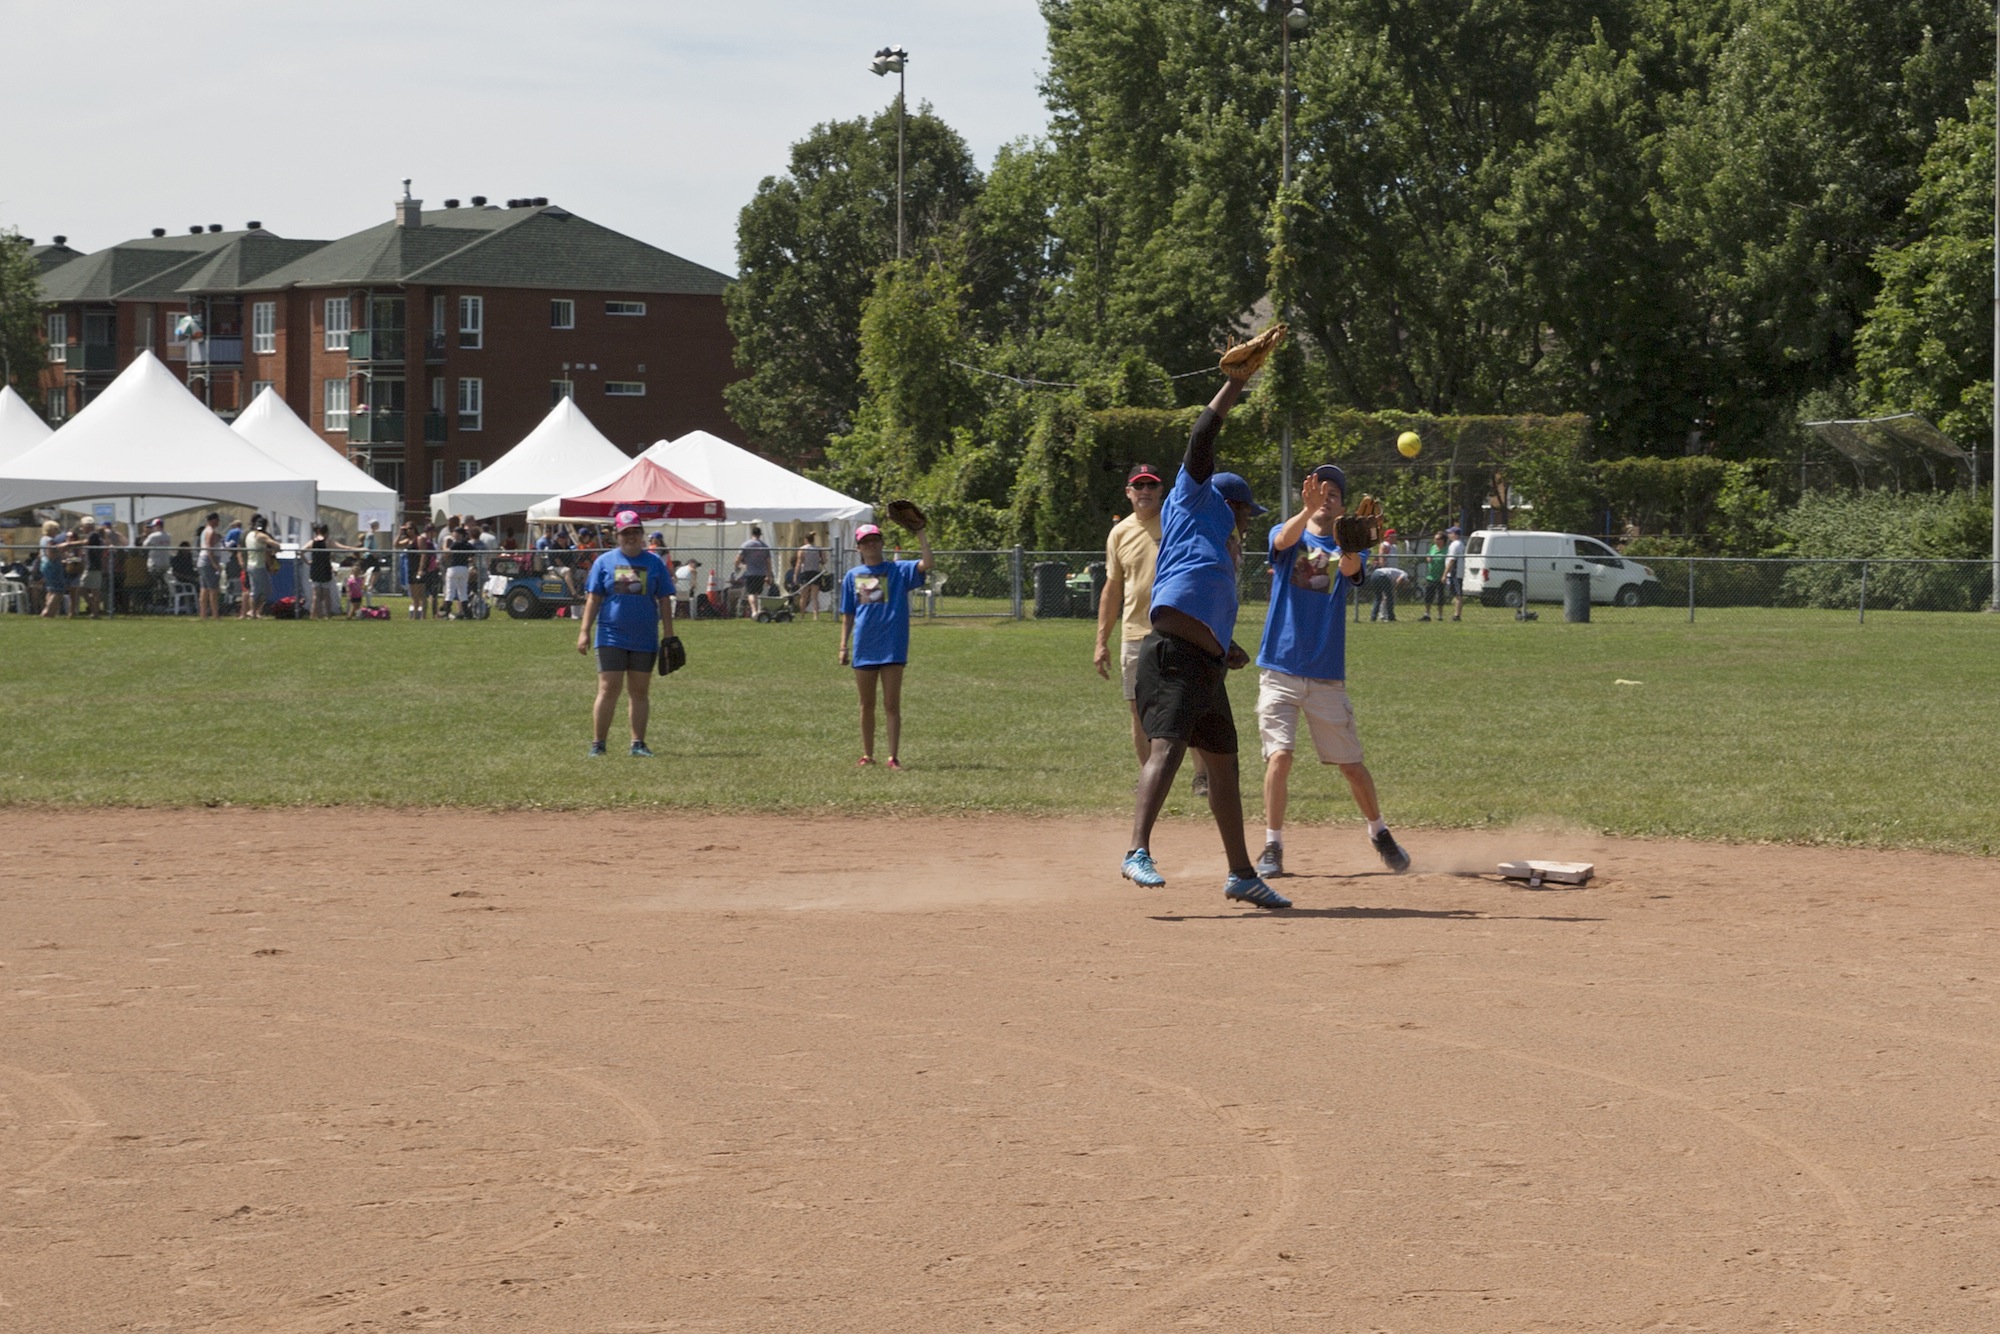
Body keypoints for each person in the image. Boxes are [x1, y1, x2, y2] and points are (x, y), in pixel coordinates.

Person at [1120, 343, 1288, 910]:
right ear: (1231, 503)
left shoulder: (1216, 546)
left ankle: (1241, 872)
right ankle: (1137, 850)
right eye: (1246, 511)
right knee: (1165, 752)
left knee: (1222, 768)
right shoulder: (1196, 501)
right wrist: (1235, 386)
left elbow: (1204, 599)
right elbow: (1200, 441)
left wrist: (1229, 647)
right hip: (1171, 654)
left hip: (1205, 661)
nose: (1245, 521)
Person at [1251, 464, 1412, 880]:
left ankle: (1379, 832)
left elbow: (1350, 572)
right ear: (1306, 497)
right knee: (1280, 755)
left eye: (1334, 495)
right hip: (1280, 669)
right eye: (1318, 491)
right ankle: (1272, 845)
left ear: (1343, 507)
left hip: (1325, 674)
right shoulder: (1286, 532)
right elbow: (1285, 540)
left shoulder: (1347, 544)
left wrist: (1354, 548)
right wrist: (1303, 513)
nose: (1326, 499)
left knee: (1351, 766)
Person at [1095, 462, 1214, 795]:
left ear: (1161, 491)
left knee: (1186, 705)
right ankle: (1150, 777)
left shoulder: (1175, 522)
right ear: (1129, 492)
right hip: (1135, 634)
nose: (1145, 491)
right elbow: (1113, 588)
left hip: (1178, 628)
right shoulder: (1119, 533)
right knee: (1138, 710)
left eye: (1151, 485)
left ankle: (1201, 775)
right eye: (1139, 485)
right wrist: (1101, 641)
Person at [576, 510, 679, 758]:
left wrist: (669, 634)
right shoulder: (604, 562)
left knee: (639, 691)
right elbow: (594, 598)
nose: (630, 537)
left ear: (641, 533)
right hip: (610, 636)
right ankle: (598, 744)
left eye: (634, 531)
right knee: (608, 689)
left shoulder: (654, 563)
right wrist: (584, 632)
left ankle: (638, 744)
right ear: (617, 535)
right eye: (625, 533)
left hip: (644, 637)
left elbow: (664, 599)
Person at [838, 521, 932, 768]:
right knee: (866, 704)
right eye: (865, 541)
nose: (871, 544)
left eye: (875, 539)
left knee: (891, 703)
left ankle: (893, 756)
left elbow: (927, 564)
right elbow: (848, 614)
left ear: (882, 543)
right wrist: (843, 646)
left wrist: (920, 532)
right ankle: (868, 754)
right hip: (865, 645)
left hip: (892, 644)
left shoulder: (898, 570)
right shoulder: (853, 576)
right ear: (858, 547)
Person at [241, 516, 281, 618]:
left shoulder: (249, 535)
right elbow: (276, 545)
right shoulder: (261, 536)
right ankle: (254, 611)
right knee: (267, 590)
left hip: (250, 565)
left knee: (254, 591)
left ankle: (253, 613)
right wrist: (275, 550)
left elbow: (265, 552)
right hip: (259, 566)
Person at [36, 520, 72, 618]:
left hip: (44, 564)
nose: (57, 531)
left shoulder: (43, 539)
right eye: (56, 529)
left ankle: (51, 612)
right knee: (58, 590)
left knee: (50, 590)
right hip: (52, 565)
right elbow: (51, 555)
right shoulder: (50, 540)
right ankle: (48, 611)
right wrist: (62, 553)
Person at [735, 524, 773, 618]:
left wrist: (738, 566)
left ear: (752, 534)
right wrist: (769, 574)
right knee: (758, 593)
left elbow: (738, 559)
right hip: (761, 573)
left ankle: (754, 611)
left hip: (750, 573)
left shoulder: (746, 545)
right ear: (760, 535)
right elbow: (768, 562)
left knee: (751, 593)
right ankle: (759, 610)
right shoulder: (765, 546)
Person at [304, 523, 339, 620]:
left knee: (316, 594)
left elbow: (300, 551)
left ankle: (314, 615)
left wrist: (307, 562)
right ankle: (328, 615)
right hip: (325, 569)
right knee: (326, 594)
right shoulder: (328, 542)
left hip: (315, 569)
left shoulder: (312, 542)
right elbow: (344, 547)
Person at [441, 524, 477, 618]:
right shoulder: (468, 544)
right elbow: (473, 556)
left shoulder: (455, 543)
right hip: (464, 568)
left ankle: (446, 613)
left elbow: (447, 554)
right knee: (463, 592)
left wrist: (445, 544)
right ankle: (467, 614)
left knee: (450, 592)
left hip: (453, 568)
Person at [790, 531, 826, 620]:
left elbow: (799, 563)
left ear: (806, 540)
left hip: (805, 573)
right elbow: (824, 560)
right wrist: (819, 561)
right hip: (815, 572)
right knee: (815, 597)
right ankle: (815, 615)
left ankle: (802, 615)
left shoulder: (802, 549)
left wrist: (795, 574)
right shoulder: (818, 549)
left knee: (803, 596)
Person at [197, 513, 226, 620]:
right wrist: (215, 564)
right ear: (213, 520)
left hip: (202, 561)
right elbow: (209, 547)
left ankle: (203, 614)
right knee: (213, 589)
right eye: (217, 520)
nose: (218, 522)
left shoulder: (205, 531)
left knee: (204, 588)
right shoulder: (210, 531)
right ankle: (215, 614)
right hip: (208, 562)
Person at [142, 518, 173, 607]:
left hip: (155, 563)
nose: (152, 528)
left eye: (153, 527)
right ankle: (164, 600)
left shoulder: (153, 536)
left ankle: (155, 602)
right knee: (163, 583)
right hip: (165, 563)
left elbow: (144, 546)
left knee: (154, 583)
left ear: (157, 526)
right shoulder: (168, 535)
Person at [1421, 530, 1447, 621]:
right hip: (1431, 576)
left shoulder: (1446, 550)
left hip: (1440, 577)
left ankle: (1440, 616)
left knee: (1440, 597)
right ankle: (1427, 614)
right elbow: (1428, 555)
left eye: (1438, 539)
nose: (1435, 541)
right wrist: (1428, 557)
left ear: (1443, 540)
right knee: (1428, 596)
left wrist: (1445, 575)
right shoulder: (1433, 548)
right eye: (1435, 539)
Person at [1443, 524, 1466, 621]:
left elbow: (1452, 560)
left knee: (1458, 594)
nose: (1448, 535)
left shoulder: (1455, 544)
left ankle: (1457, 615)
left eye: (1450, 533)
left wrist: (1444, 574)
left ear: (1455, 534)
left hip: (1455, 572)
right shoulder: (1459, 543)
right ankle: (1456, 613)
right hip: (1456, 572)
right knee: (1456, 594)